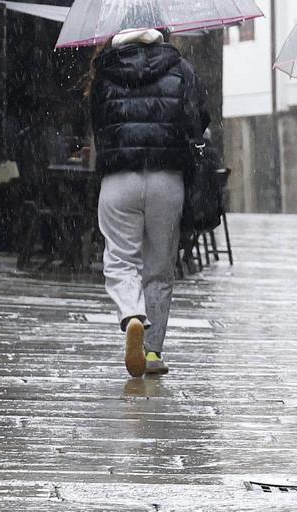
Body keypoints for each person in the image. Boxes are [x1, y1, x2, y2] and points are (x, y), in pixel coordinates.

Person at [89, 27, 209, 378]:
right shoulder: (180, 67)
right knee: (159, 267)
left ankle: (132, 316)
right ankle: (153, 351)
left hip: (119, 176)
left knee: (121, 259)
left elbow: (96, 123)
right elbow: (198, 119)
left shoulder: (104, 70)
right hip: (166, 178)